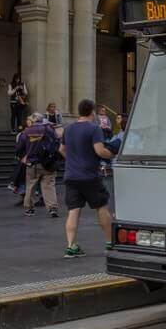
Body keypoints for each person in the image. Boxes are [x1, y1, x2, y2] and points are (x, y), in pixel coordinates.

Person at [60, 99, 115, 258]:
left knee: (73, 211)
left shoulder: (68, 129)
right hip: (90, 176)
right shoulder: (94, 128)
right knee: (102, 207)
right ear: (92, 112)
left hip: (71, 175)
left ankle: (71, 246)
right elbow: (99, 151)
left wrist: (72, 160)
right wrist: (111, 154)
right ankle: (110, 242)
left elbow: (62, 149)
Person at [17, 112, 60, 218]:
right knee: (49, 185)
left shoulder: (27, 131)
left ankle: (29, 209)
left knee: (30, 186)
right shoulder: (48, 129)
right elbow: (56, 141)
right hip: (47, 163)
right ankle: (52, 208)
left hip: (32, 163)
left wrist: (22, 156)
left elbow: (20, 147)